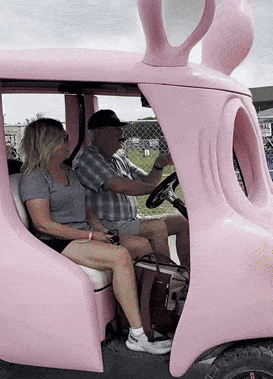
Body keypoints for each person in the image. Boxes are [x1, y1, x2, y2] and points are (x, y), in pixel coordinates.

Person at [18, 118, 170, 354]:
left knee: (141, 247)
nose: (69, 142)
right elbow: (44, 225)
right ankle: (137, 335)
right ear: (47, 143)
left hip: (81, 232)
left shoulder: (68, 171)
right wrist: (89, 235)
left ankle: (148, 314)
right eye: (63, 139)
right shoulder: (35, 177)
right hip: (57, 241)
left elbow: (86, 207)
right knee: (119, 256)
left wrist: (98, 228)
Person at [75, 109, 191, 267]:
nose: (121, 132)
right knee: (156, 227)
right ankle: (166, 283)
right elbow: (120, 186)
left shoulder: (119, 157)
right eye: (116, 128)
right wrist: (154, 190)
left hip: (130, 221)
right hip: (108, 225)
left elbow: (147, 182)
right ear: (99, 133)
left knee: (182, 221)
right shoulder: (89, 158)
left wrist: (158, 165)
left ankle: (188, 276)